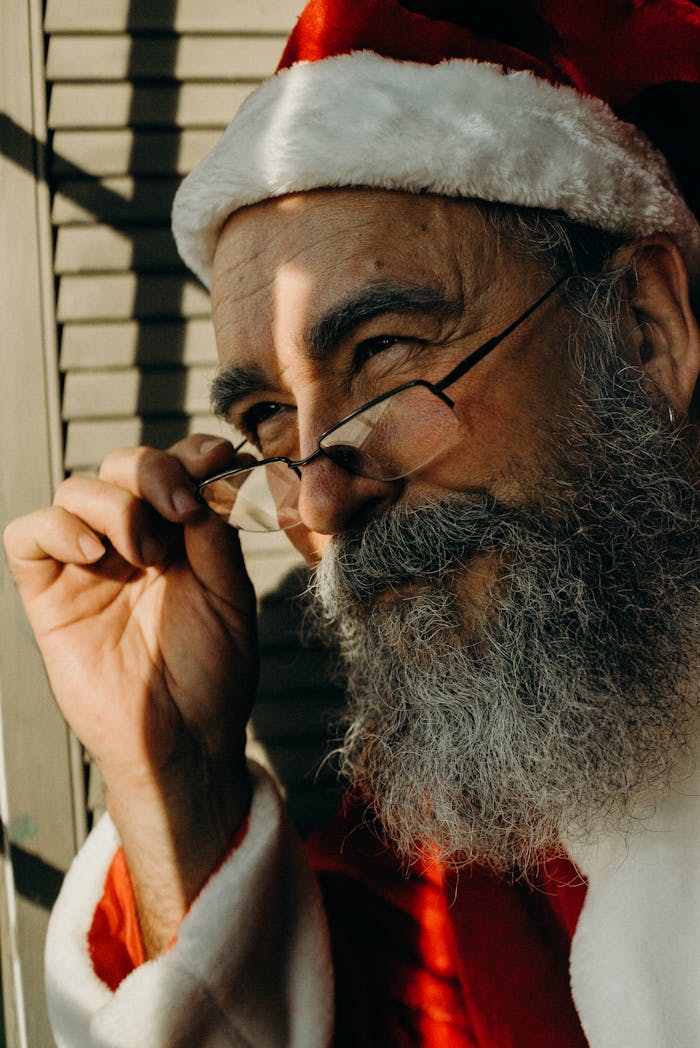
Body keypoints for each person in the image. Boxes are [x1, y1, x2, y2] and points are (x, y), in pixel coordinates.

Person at [4, 0, 700, 1044]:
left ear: (643, 329)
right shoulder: (461, 827)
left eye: (382, 351)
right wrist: (177, 781)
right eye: (267, 418)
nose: (322, 501)